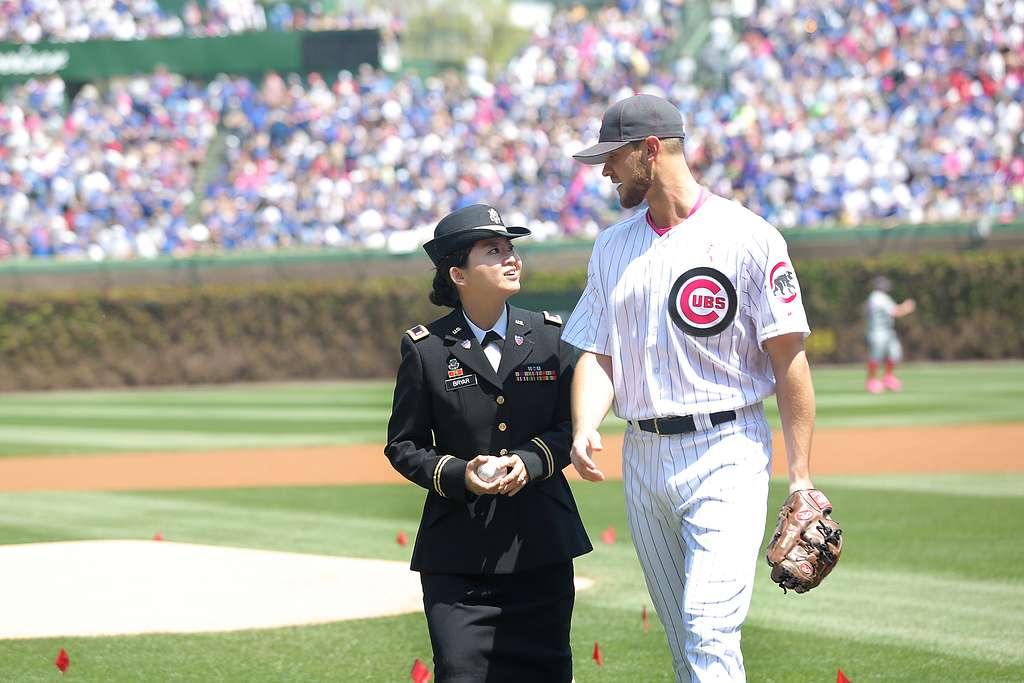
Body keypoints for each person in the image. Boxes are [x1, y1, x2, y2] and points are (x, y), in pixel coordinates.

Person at [561, 94, 819, 682]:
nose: (605, 171)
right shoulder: (611, 246)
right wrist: (584, 425)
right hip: (644, 455)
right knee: (684, 640)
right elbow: (598, 353)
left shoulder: (749, 237)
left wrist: (801, 476)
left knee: (708, 625)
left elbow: (789, 359)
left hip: (727, 447)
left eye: (614, 157)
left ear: (651, 151)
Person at [385, 203, 592, 682]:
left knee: (547, 673)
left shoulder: (551, 337)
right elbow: (404, 445)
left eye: (511, 249)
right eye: (493, 250)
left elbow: (570, 426)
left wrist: (531, 460)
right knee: (460, 672)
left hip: (541, 547)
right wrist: (461, 475)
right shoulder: (426, 349)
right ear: (458, 272)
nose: (510, 258)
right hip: (458, 559)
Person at [864, 275, 916, 393]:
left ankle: (888, 378)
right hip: (877, 331)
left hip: (887, 330)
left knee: (895, 353)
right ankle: (871, 381)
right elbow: (895, 312)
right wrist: (907, 306)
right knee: (876, 357)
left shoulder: (882, 297)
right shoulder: (877, 297)